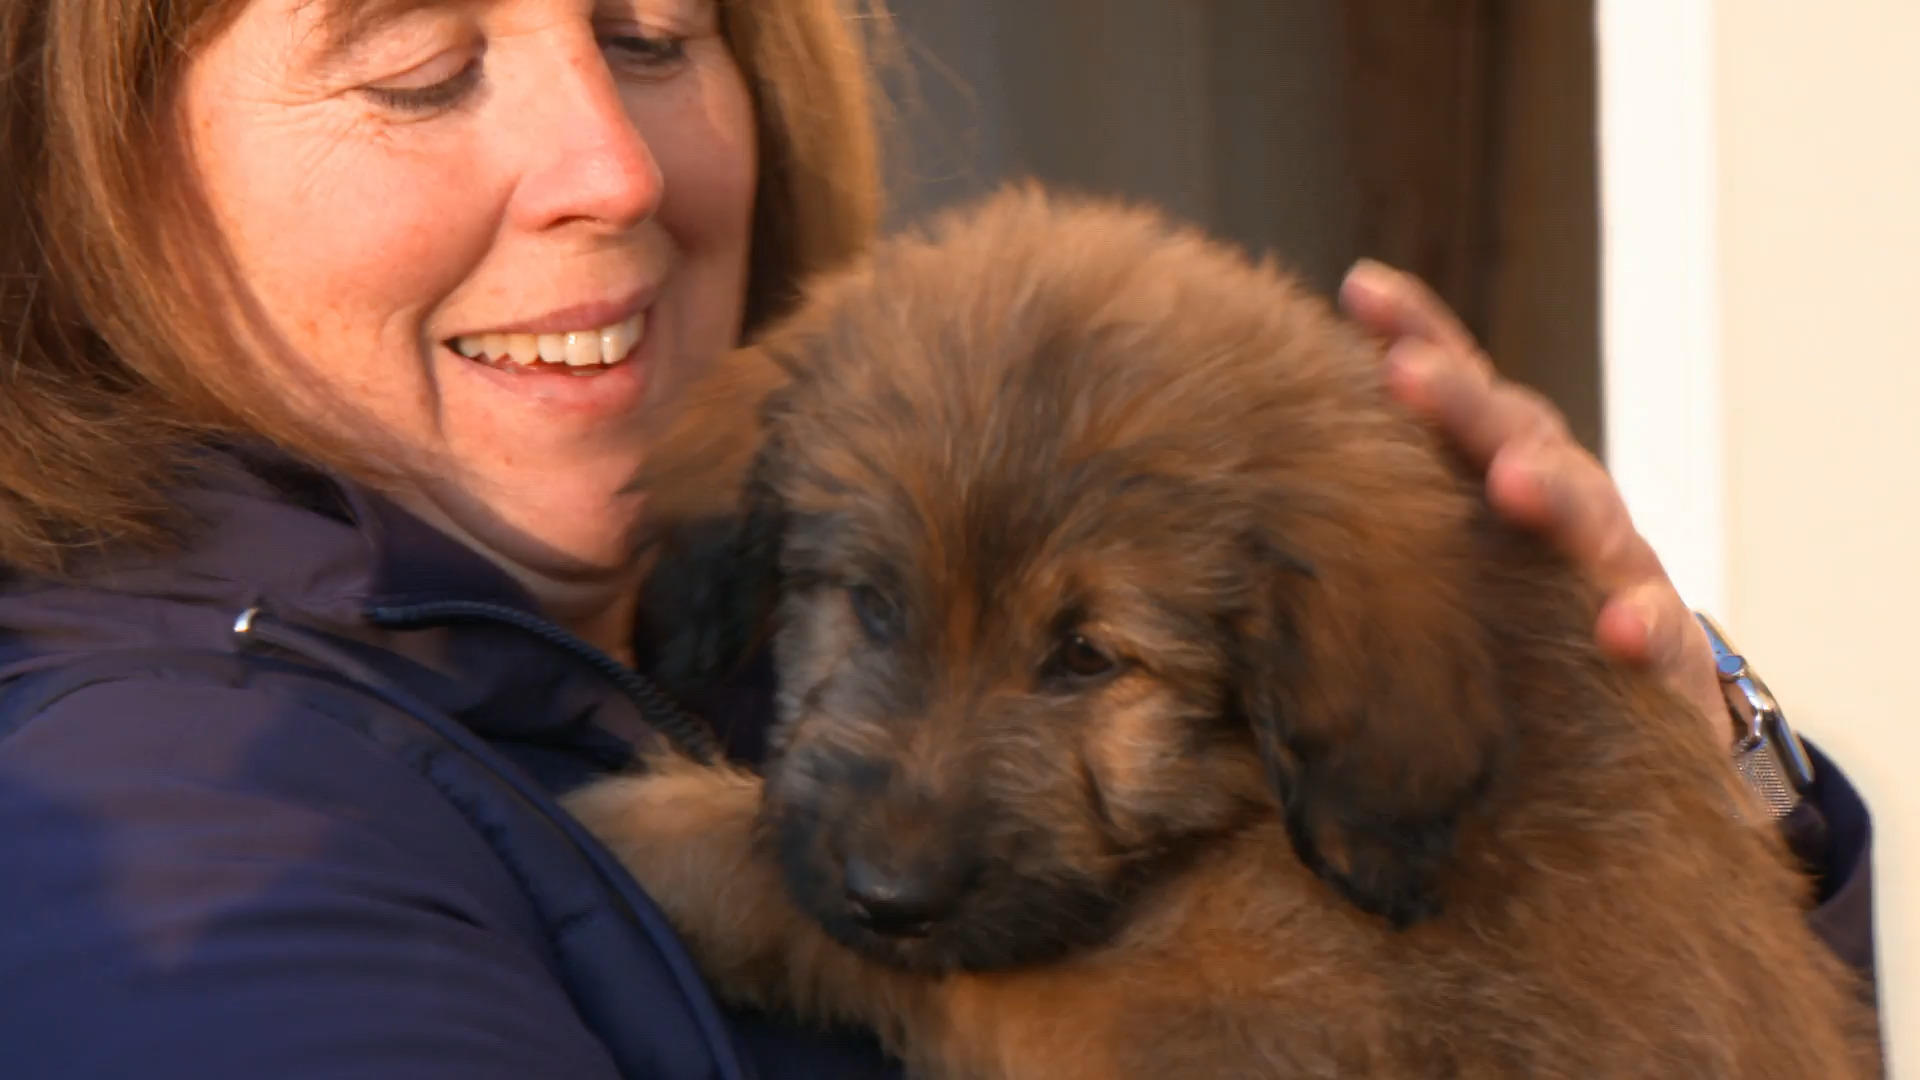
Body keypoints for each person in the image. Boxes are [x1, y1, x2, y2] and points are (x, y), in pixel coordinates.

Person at [0, 0, 1875, 1076]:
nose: (617, 168)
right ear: (87, 161)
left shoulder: (690, 627)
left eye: (656, 27)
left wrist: (1701, 753)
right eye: (414, 60)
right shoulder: (171, 826)